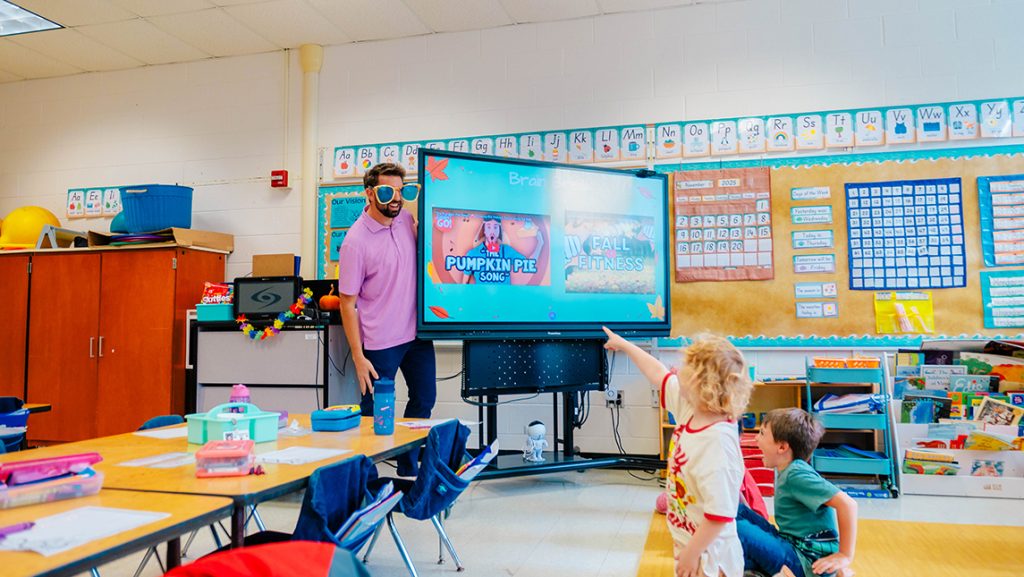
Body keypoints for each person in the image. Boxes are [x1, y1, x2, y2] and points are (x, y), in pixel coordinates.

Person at [603, 327, 752, 577]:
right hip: (691, 543)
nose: (677, 369)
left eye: (686, 367)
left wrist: (693, 553)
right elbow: (658, 373)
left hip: (711, 556)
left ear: (702, 384)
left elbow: (720, 514)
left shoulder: (717, 442)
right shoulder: (691, 408)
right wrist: (625, 345)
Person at [337, 162, 436, 472]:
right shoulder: (355, 242)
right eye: (386, 191)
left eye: (401, 191)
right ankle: (365, 480)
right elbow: (347, 303)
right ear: (369, 193)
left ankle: (407, 466)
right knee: (376, 413)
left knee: (425, 400)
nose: (396, 198)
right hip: (380, 342)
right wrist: (358, 356)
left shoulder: (405, 219)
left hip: (417, 334)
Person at [737, 408, 858, 577]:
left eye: (762, 433)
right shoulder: (788, 469)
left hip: (805, 560)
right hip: (790, 543)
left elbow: (848, 504)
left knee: (737, 527)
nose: (756, 438)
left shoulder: (796, 474)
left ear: (782, 447)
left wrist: (844, 555)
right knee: (735, 512)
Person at [462, 214, 544, 284]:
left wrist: (540, 244)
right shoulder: (472, 254)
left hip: (505, 297)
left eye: (495, 227)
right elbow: (464, 284)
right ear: (484, 230)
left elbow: (529, 263)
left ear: (499, 231)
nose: (492, 231)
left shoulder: (507, 251)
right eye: (488, 227)